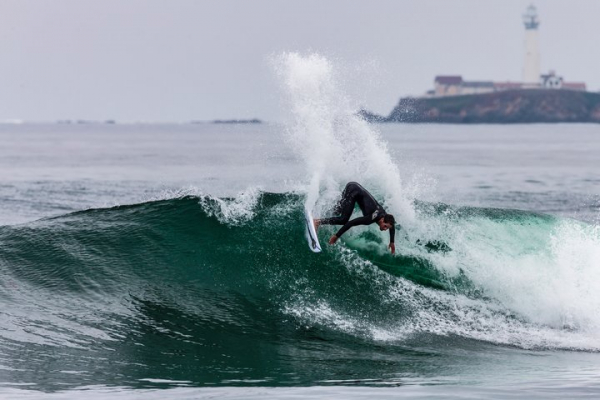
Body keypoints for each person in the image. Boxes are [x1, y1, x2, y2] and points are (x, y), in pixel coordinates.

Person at [314, 182, 396, 254]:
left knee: (337, 211)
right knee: (343, 219)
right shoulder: (371, 218)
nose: (385, 229)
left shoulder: (385, 216)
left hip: (354, 187)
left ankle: (319, 210)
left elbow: (392, 226)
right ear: (382, 220)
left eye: (387, 228)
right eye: (385, 226)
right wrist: (336, 236)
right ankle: (317, 222)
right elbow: (351, 223)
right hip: (353, 191)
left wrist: (392, 242)